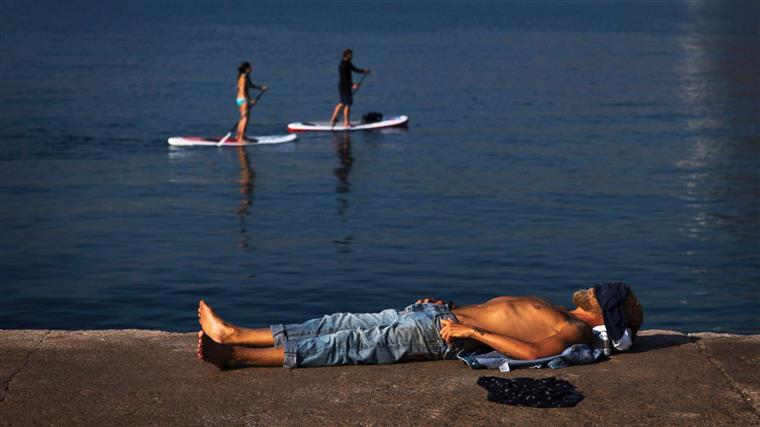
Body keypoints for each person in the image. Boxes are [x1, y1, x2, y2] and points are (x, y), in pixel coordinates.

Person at [196, 283, 643, 369]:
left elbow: (532, 354)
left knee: (348, 344)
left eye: (598, 295)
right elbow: (499, 310)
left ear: (602, 313)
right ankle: (236, 333)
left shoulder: (576, 332)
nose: (589, 289)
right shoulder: (558, 309)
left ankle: (237, 357)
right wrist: (449, 307)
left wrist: (473, 335)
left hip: (441, 334)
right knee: (337, 322)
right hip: (434, 315)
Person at [329, 49, 370, 127]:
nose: (352, 57)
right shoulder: (342, 66)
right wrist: (352, 85)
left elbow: (355, 69)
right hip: (344, 86)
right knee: (347, 104)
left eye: (351, 56)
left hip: (345, 86)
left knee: (342, 103)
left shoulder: (348, 63)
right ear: (346, 56)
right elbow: (344, 79)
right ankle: (346, 123)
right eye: (350, 56)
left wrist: (364, 71)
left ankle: (332, 119)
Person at [235, 62, 268, 142]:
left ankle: (239, 136)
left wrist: (260, 88)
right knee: (245, 118)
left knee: (243, 118)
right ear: (246, 69)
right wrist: (250, 100)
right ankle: (241, 138)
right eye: (250, 67)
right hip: (243, 99)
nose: (252, 69)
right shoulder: (243, 77)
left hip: (240, 99)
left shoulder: (246, 76)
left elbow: (250, 85)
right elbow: (242, 90)